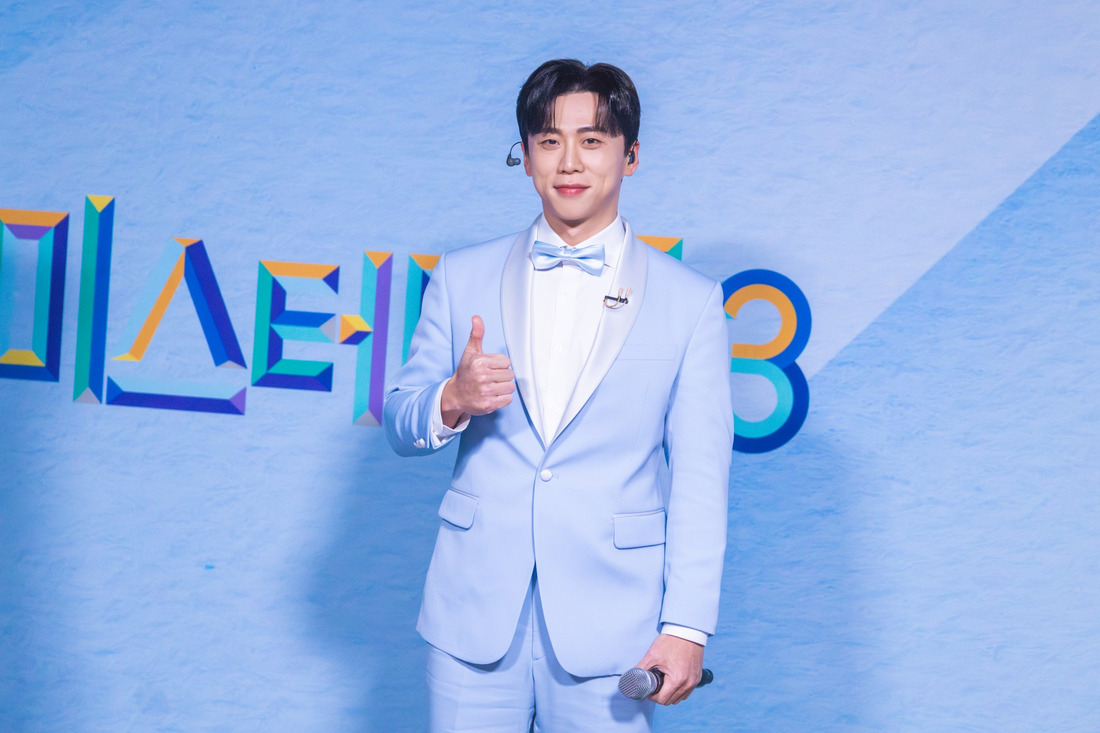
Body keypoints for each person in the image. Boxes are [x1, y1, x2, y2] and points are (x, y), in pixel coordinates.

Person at [383, 59, 733, 733]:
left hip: (615, 630)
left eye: (592, 140)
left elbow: (700, 478)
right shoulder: (461, 275)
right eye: (549, 140)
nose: (569, 161)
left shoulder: (690, 302)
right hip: (472, 615)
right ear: (526, 157)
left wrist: (687, 626)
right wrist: (452, 397)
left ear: (631, 156)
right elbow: (402, 419)